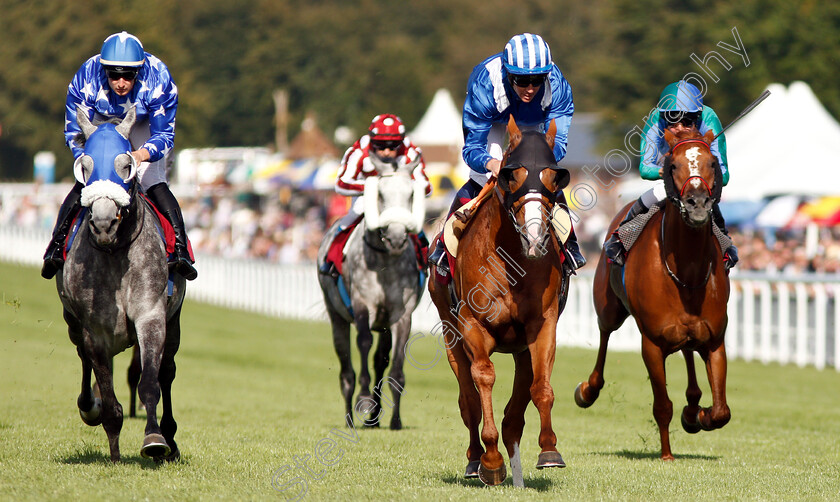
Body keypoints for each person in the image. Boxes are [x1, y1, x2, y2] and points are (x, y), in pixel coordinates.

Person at [41, 31, 197, 281]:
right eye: (114, 75)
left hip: (143, 124)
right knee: (86, 182)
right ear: (104, 71)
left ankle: (180, 249)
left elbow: (165, 136)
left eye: (128, 75)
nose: (121, 82)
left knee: (151, 180)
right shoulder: (86, 77)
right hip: (100, 124)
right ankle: (56, 246)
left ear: (140, 71)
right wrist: (88, 161)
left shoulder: (159, 78)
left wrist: (138, 156)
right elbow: (74, 131)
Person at [428, 32, 584, 274]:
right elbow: (473, 149)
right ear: (508, 74)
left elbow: (558, 145)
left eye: (537, 80)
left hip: (534, 123)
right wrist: (492, 163)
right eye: (522, 81)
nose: (530, 88)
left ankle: (569, 243)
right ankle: (444, 247)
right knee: (482, 177)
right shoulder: (485, 83)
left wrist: (536, 164)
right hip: (494, 119)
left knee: (544, 175)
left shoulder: (558, 86)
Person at [603, 80, 739, 269]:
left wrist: (700, 173)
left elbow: (723, 175)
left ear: (698, 117)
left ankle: (726, 243)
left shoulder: (709, 119)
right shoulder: (655, 119)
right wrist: (672, 171)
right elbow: (645, 168)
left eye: (688, 122)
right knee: (661, 191)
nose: (680, 127)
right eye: (673, 121)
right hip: (668, 163)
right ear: (663, 117)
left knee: (704, 198)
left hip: (699, 175)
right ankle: (621, 236)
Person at [319, 114, 431, 276]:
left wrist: (400, 186)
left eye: (393, 146)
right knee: (350, 218)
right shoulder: (358, 151)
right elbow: (341, 183)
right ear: (372, 141)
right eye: (380, 145)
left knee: (416, 227)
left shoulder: (411, 153)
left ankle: (424, 258)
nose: (386, 152)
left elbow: (426, 187)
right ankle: (331, 260)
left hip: (399, 200)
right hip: (367, 199)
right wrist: (374, 187)